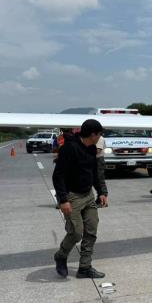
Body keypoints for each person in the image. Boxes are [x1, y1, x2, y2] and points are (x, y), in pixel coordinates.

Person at [52, 119, 108, 279]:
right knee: (76, 233)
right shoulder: (69, 149)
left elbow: (95, 172)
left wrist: (102, 191)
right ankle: (61, 256)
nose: (100, 137)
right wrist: (63, 200)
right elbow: (58, 176)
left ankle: (85, 267)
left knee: (91, 230)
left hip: (88, 195)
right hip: (72, 196)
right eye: (99, 134)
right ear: (93, 134)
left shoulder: (91, 148)